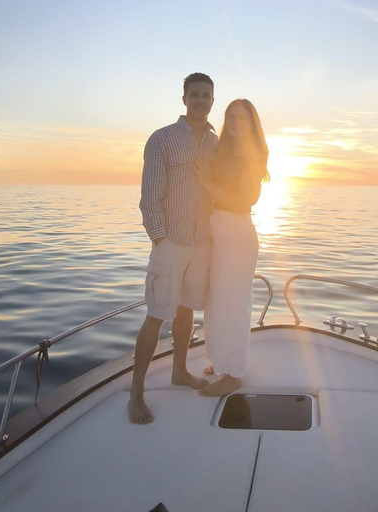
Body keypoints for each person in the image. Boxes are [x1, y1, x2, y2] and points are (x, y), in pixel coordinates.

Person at [128, 72, 219, 424]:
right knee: (156, 313)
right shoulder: (162, 139)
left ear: (213, 100)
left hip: (202, 241)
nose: (200, 101)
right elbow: (149, 197)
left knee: (186, 309)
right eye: (194, 95)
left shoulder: (215, 142)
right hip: (171, 241)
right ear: (184, 99)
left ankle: (179, 370)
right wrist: (160, 239)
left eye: (206, 95)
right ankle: (137, 393)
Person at [193, 99, 269, 397]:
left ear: (252, 122)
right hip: (217, 229)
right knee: (216, 302)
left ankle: (234, 374)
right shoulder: (223, 149)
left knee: (233, 306)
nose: (236, 121)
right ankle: (220, 359)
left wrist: (204, 182)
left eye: (243, 117)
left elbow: (243, 201)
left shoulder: (254, 153)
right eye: (231, 116)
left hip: (236, 233)